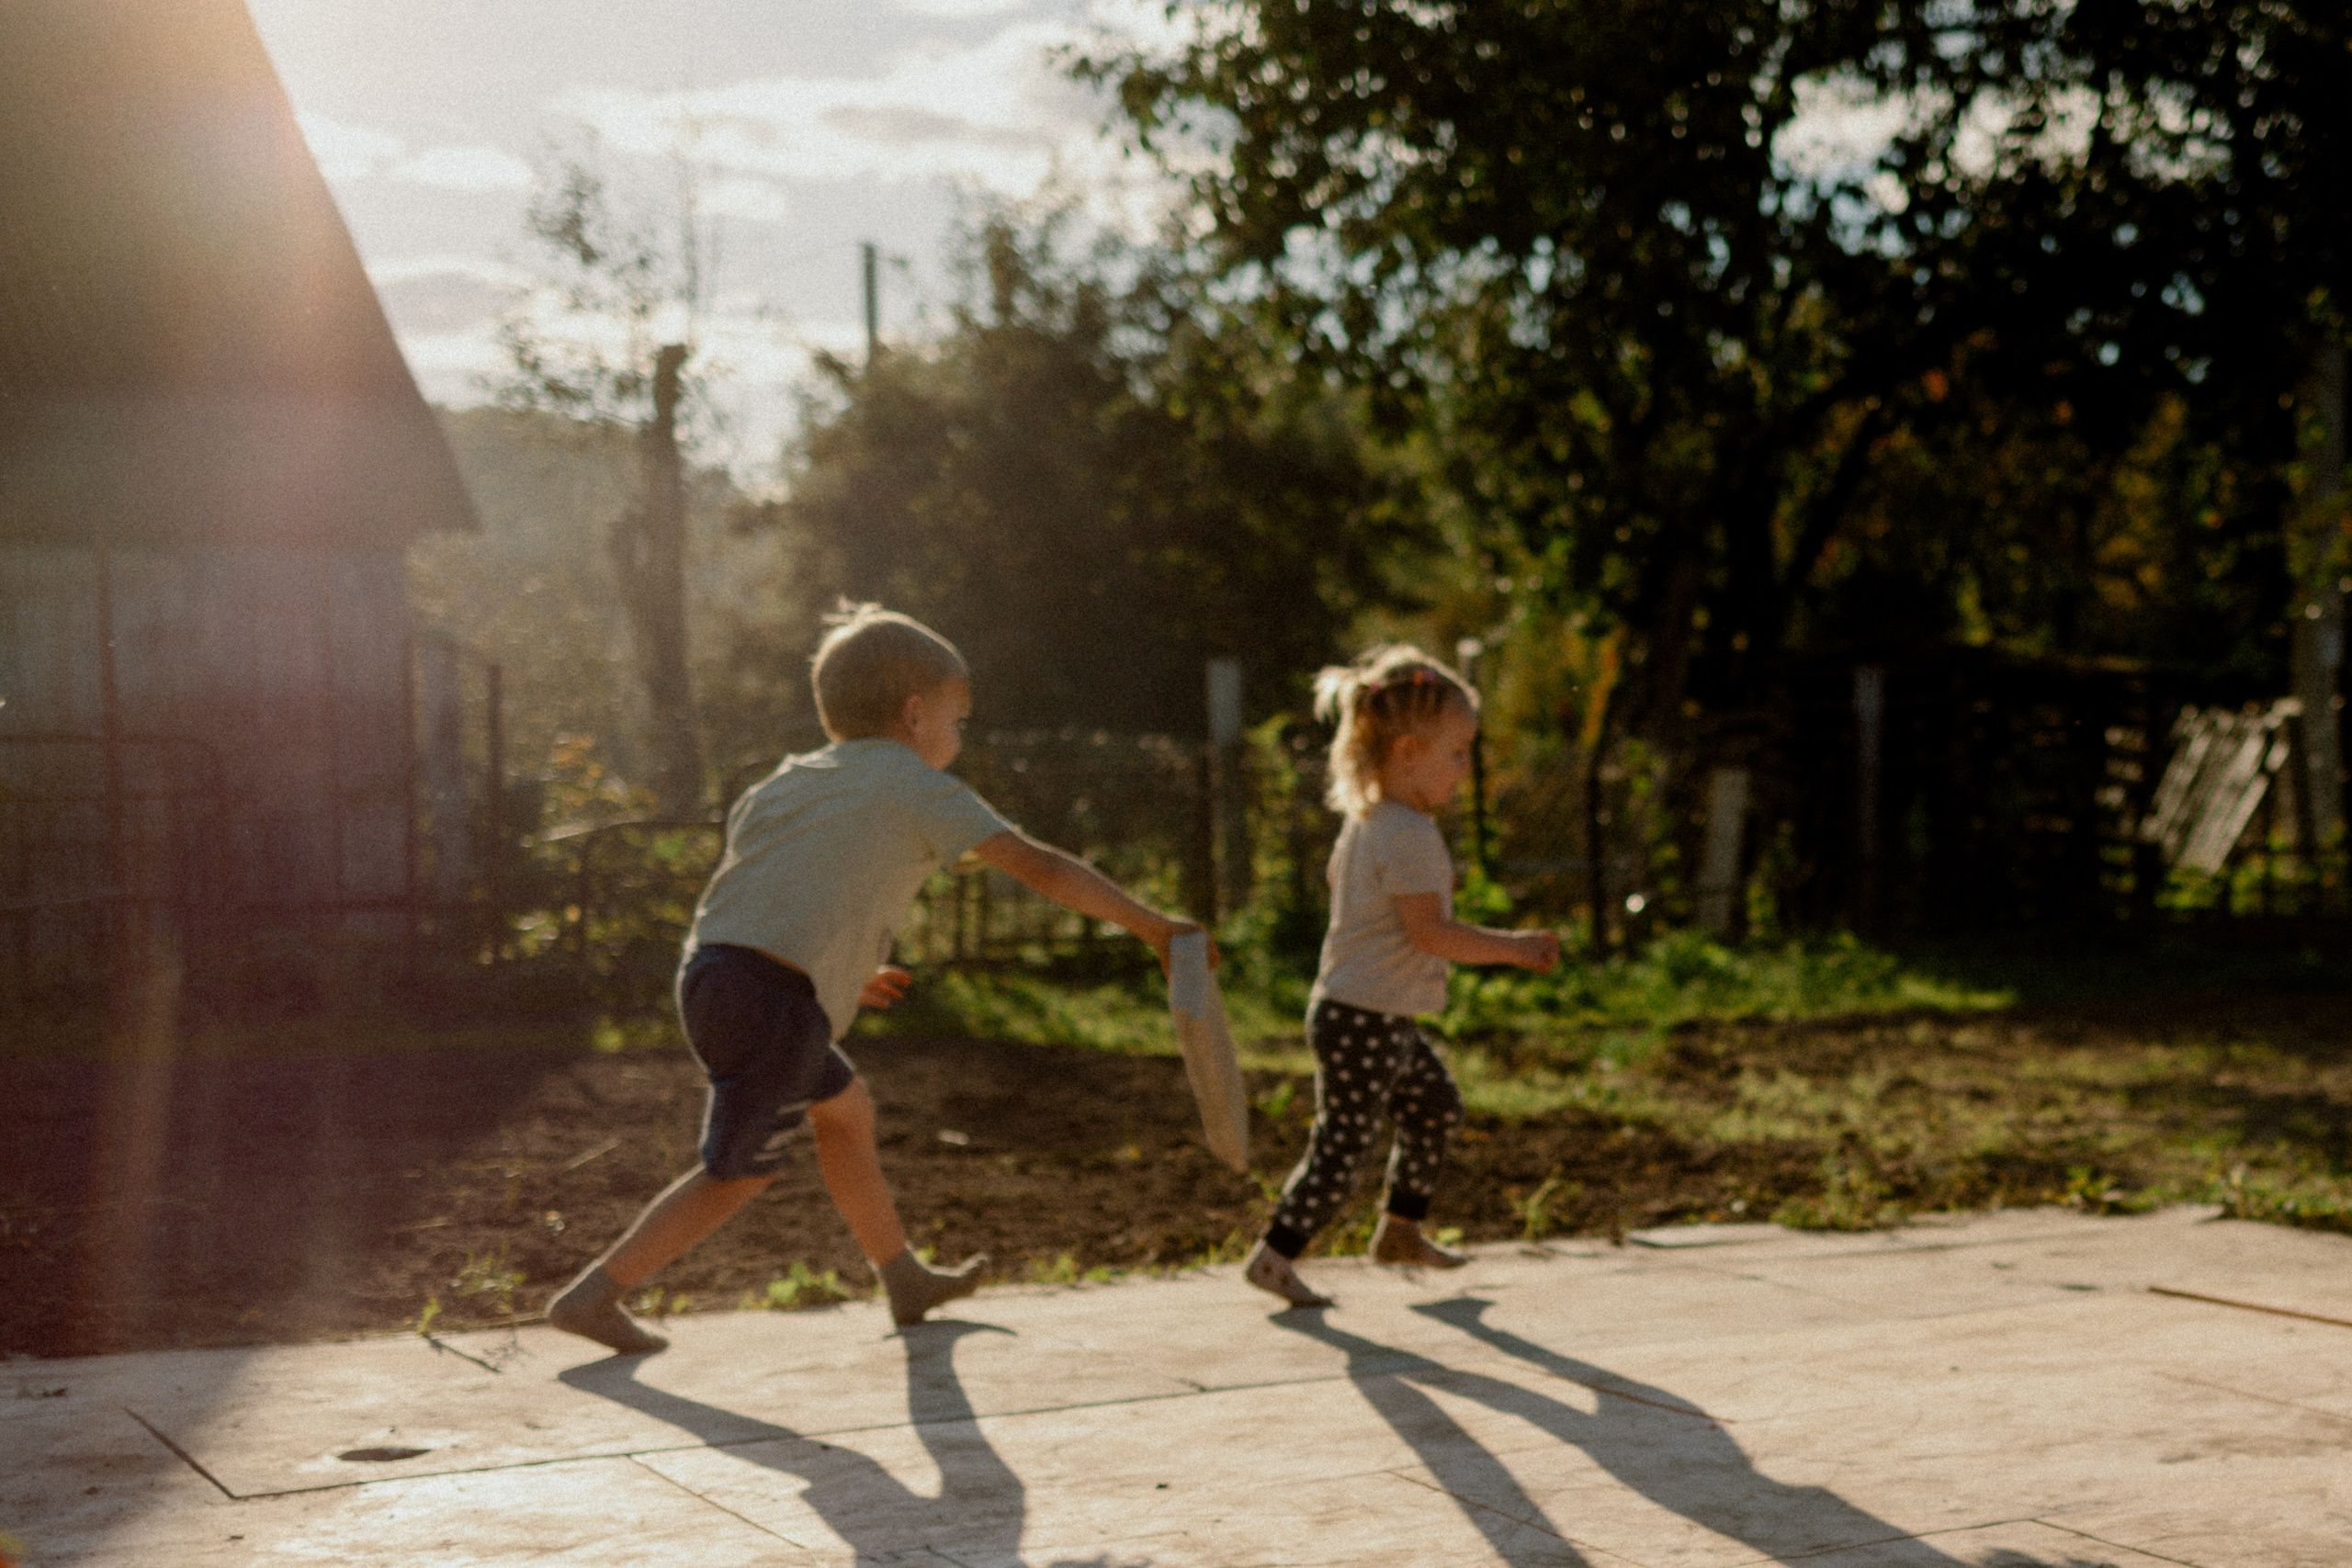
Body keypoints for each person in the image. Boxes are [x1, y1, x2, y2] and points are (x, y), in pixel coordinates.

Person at [548, 603, 1208, 1353]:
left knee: (846, 1110)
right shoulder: (911, 782)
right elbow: (1039, 864)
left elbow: (782, 890)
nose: (958, 740)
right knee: (738, 1171)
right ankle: (594, 1294)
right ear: (915, 713)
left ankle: (902, 1275)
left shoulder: (786, 781)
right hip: (772, 999)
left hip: (717, 974)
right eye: (958, 721)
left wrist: (835, 971)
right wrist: (1156, 925)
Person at [1243, 646, 1559, 1308]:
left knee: (1434, 1106)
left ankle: (1399, 1230)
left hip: (1363, 1010)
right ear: (1408, 750)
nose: (1465, 769)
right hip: (1366, 1016)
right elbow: (1431, 933)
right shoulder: (1408, 832)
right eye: (1457, 752)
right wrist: (1516, 947)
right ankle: (1275, 1255)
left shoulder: (1369, 822)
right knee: (1344, 1144)